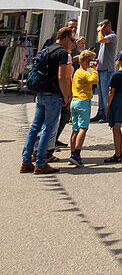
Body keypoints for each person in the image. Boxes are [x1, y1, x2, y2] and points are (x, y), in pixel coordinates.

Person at [21, 25, 74, 175]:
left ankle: (26, 161)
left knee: (35, 126)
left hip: (41, 93)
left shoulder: (46, 49)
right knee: (48, 128)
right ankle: (40, 162)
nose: (73, 43)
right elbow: (62, 77)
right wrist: (66, 96)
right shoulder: (62, 53)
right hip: (53, 94)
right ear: (64, 38)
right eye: (71, 39)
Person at [44, 18, 84, 149]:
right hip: (57, 89)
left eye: (75, 27)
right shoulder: (61, 50)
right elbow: (63, 75)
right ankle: (45, 151)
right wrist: (67, 94)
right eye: (71, 27)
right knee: (51, 122)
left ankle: (45, 147)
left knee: (46, 122)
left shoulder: (70, 45)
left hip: (50, 89)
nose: (74, 29)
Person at [69, 49, 98, 167]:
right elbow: (94, 80)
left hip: (74, 101)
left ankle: (72, 153)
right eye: (91, 61)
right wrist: (94, 69)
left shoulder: (76, 72)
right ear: (87, 61)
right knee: (83, 128)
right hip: (83, 102)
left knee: (75, 129)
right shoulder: (85, 72)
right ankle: (76, 153)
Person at [93, 20, 118, 121]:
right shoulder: (105, 37)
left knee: (105, 94)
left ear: (107, 27)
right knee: (100, 94)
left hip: (107, 70)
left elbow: (100, 40)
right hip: (100, 69)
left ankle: (106, 114)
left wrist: (99, 31)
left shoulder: (112, 36)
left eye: (102, 27)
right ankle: (100, 112)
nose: (100, 30)